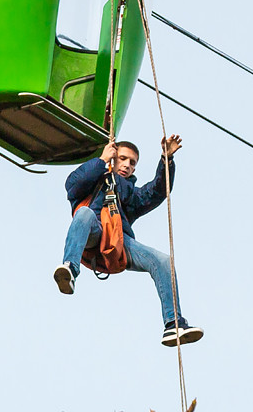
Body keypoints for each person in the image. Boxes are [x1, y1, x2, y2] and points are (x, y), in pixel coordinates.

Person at [53, 134, 204, 347]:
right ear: (113, 158)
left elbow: (156, 192)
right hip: (93, 231)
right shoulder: (94, 178)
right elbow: (72, 184)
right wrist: (101, 160)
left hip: (118, 241)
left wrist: (166, 160)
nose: (127, 165)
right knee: (84, 213)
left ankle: (173, 323)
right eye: (122, 159)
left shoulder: (129, 193)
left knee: (162, 261)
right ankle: (69, 270)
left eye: (132, 163)